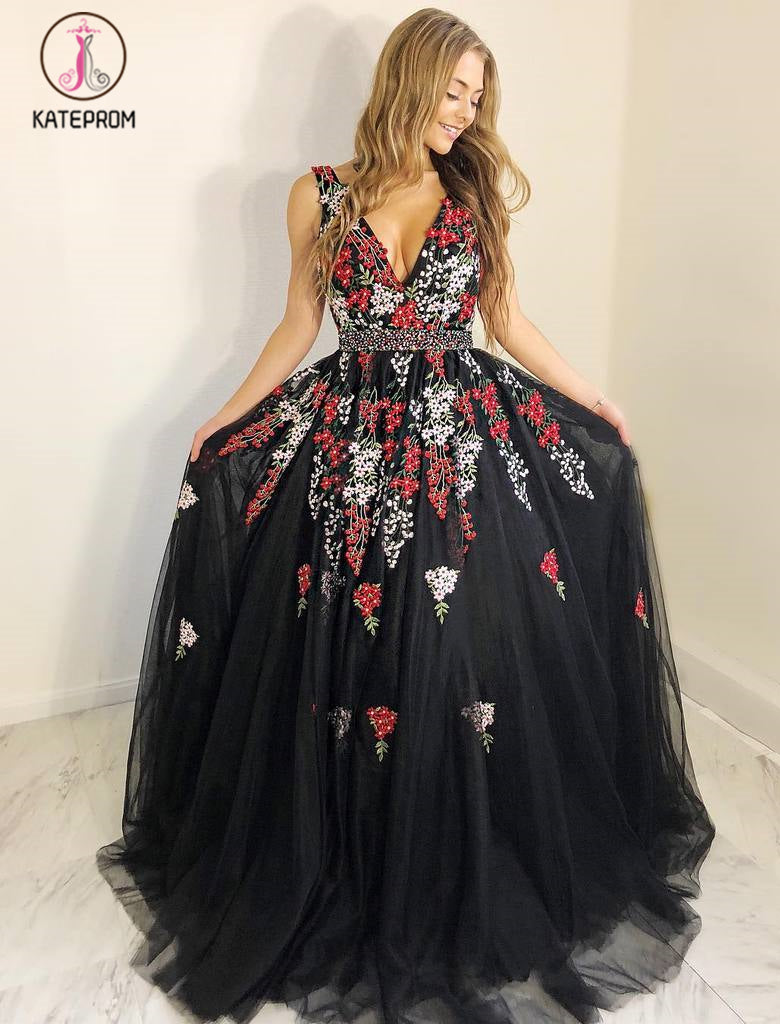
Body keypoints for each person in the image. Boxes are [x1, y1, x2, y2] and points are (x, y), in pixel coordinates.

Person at [96, 8, 715, 1023]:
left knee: (455, 655)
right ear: (408, 79)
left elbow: (503, 318)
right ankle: (351, 853)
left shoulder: (470, 192)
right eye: (453, 91)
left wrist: (592, 396)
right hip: (348, 450)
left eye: (478, 97)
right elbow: (299, 324)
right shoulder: (318, 194)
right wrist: (225, 417)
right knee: (346, 656)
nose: (465, 112)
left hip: (458, 447)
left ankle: (452, 854)